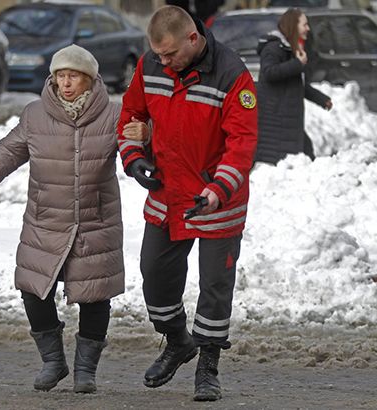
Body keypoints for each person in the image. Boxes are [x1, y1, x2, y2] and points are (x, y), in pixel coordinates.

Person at [0, 44, 124, 394]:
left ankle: (86, 370)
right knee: (34, 290)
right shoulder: (35, 114)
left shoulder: (114, 115)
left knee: (95, 296)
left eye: (74, 77)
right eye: (60, 76)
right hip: (45, 219)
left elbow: (136, 153)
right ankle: (53, 361)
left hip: (95, 220)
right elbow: (9, 149)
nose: (66, 84)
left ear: (90, 79)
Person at [118, 6, 257, 402]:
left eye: (170, 55)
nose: (163, 63)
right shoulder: (150, 67)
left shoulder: (233, 74)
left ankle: (208, 366)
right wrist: (135, 158)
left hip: (216, 199)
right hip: (167, 194)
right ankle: (178, 340)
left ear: (192, 40)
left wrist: (218, 189)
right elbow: (131, 114)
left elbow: (242, 142)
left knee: (215, 285)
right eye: (157, 55)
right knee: (154, 274)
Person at [255, 7, 332, 165]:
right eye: (305, 24)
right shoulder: (273, 48)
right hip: (276, 116)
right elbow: (269, 73)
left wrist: (321, 99)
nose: (308, 29)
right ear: (293, 25)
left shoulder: (290, 49)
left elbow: (297, 84)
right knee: (279, 160)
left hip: (288, 117)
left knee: (305, 153)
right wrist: (297, 64)